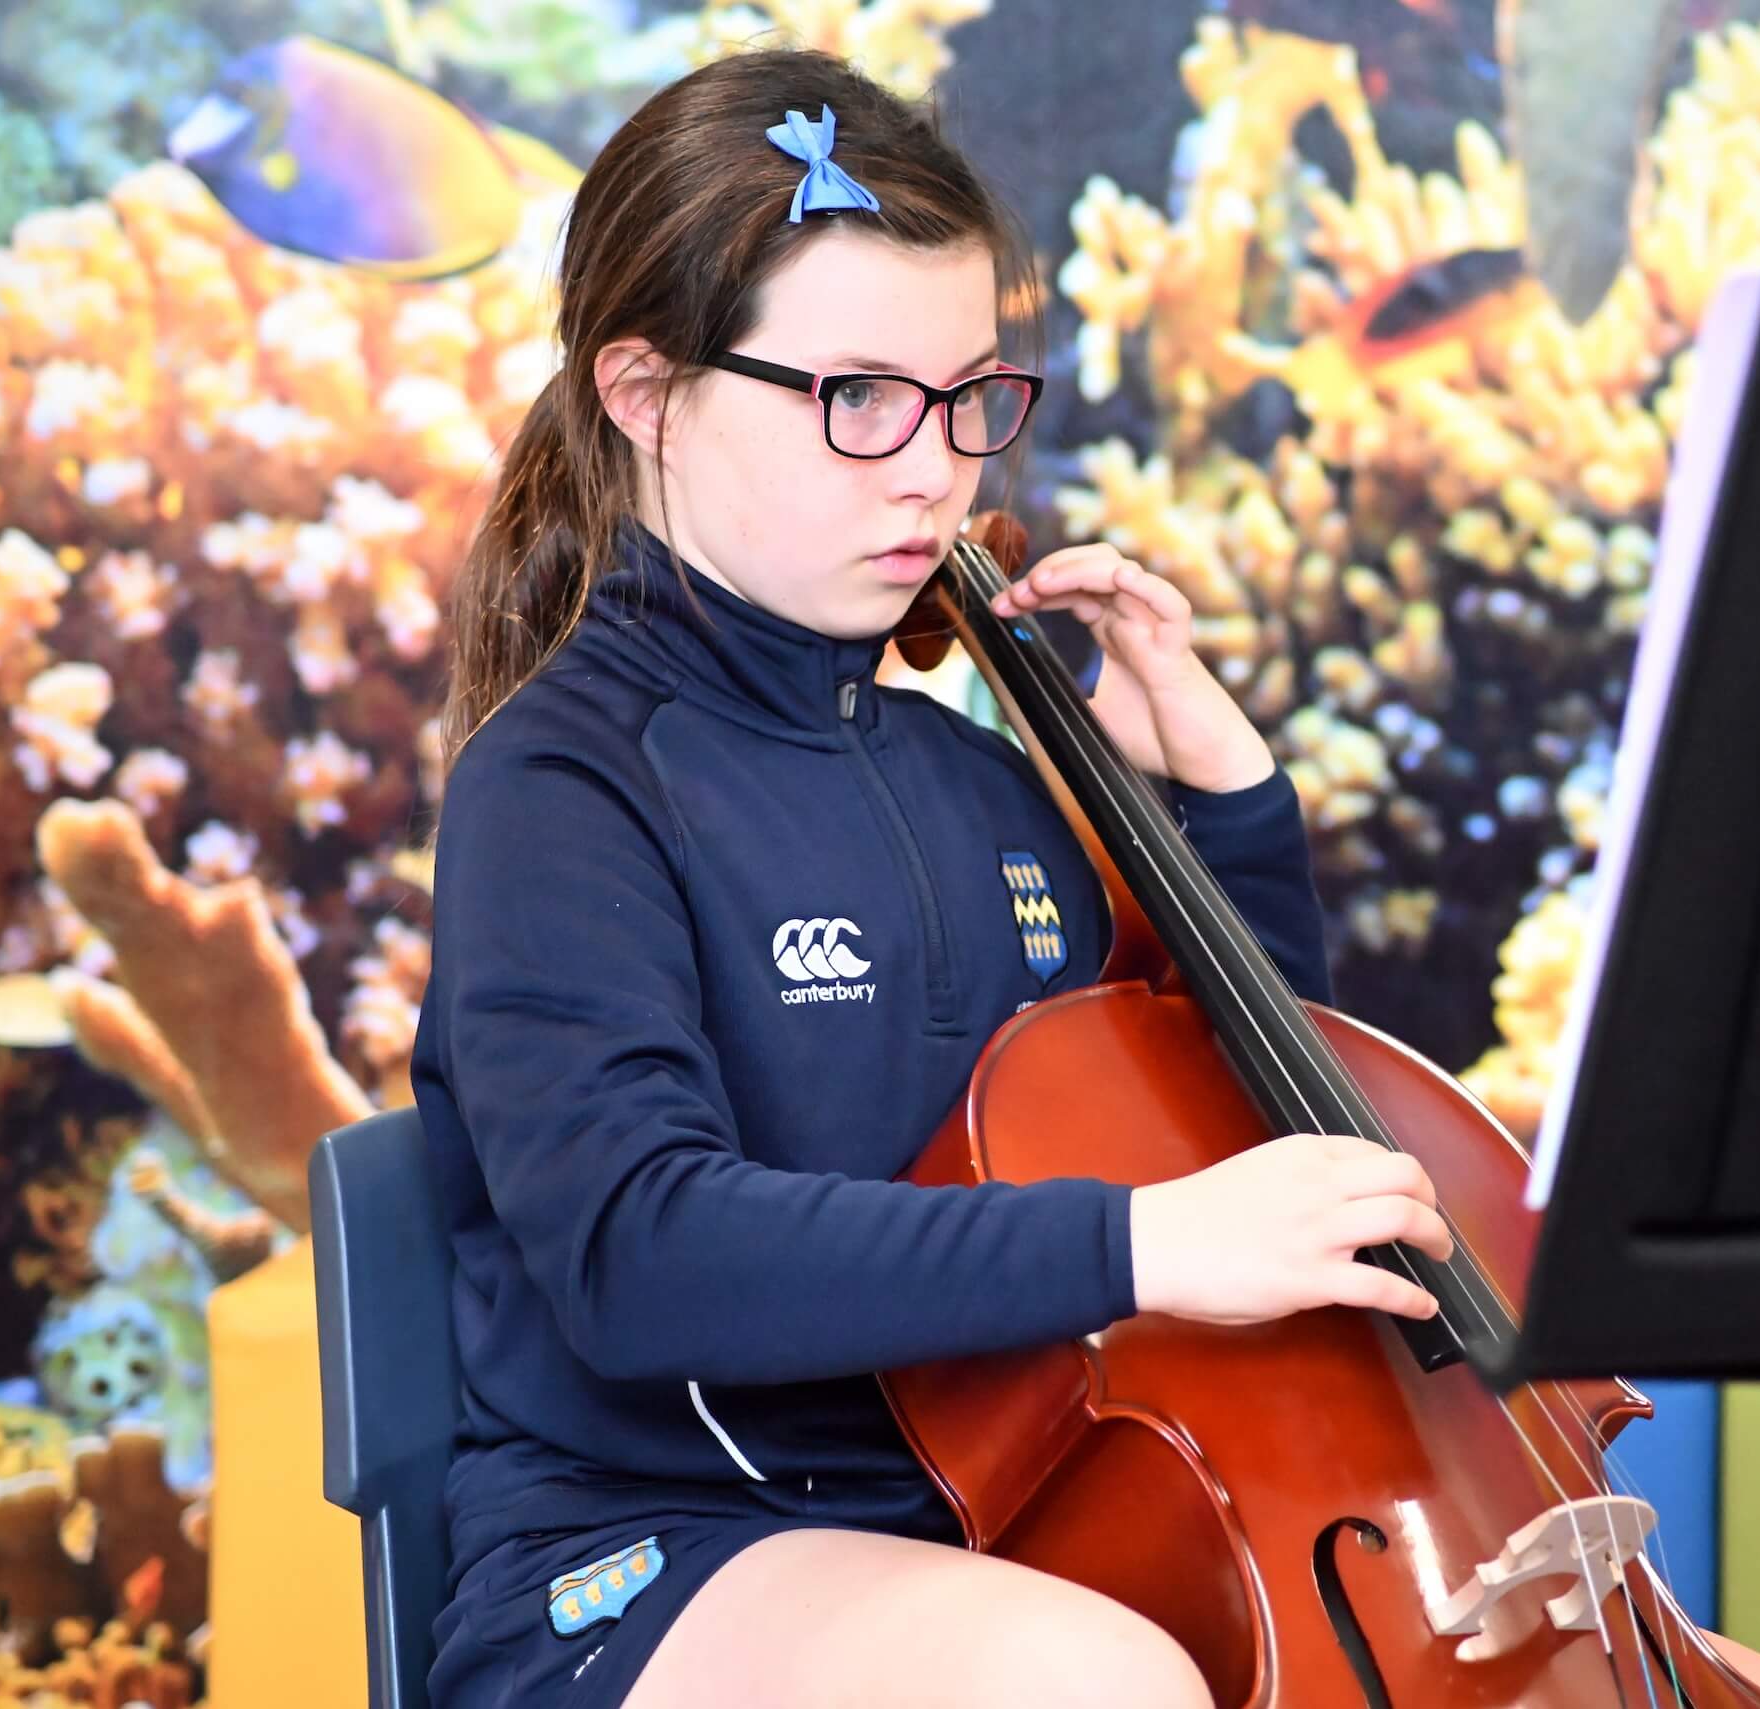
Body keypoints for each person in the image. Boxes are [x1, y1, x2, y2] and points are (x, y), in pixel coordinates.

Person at [415, 45, 1454, 1709]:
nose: (932, 468)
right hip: (660, 1555)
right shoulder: (561, 784)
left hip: (1005, 1511)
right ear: (644, 392)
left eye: (970, 395)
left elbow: (1226, 1108)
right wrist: (1138, 1247)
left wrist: (1228, 795)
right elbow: (638, 1250)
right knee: (1093, 1686)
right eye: (857, 399)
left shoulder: (979, 777)